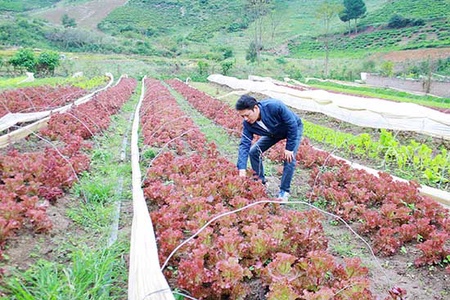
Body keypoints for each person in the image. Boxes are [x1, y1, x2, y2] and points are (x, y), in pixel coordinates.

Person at [235, 94, 303, 202]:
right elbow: (244, 145)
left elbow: (292, 124)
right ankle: (260, 183)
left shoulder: (274, 106)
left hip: (293, 128)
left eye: (247, 115)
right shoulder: (247, 124)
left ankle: (284, 192)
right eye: (242, 116)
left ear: (256, 108)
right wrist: (242, 168)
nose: (245, 119)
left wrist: (289, 148)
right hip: (273, 133)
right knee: (254, 152)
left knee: (289, 157)